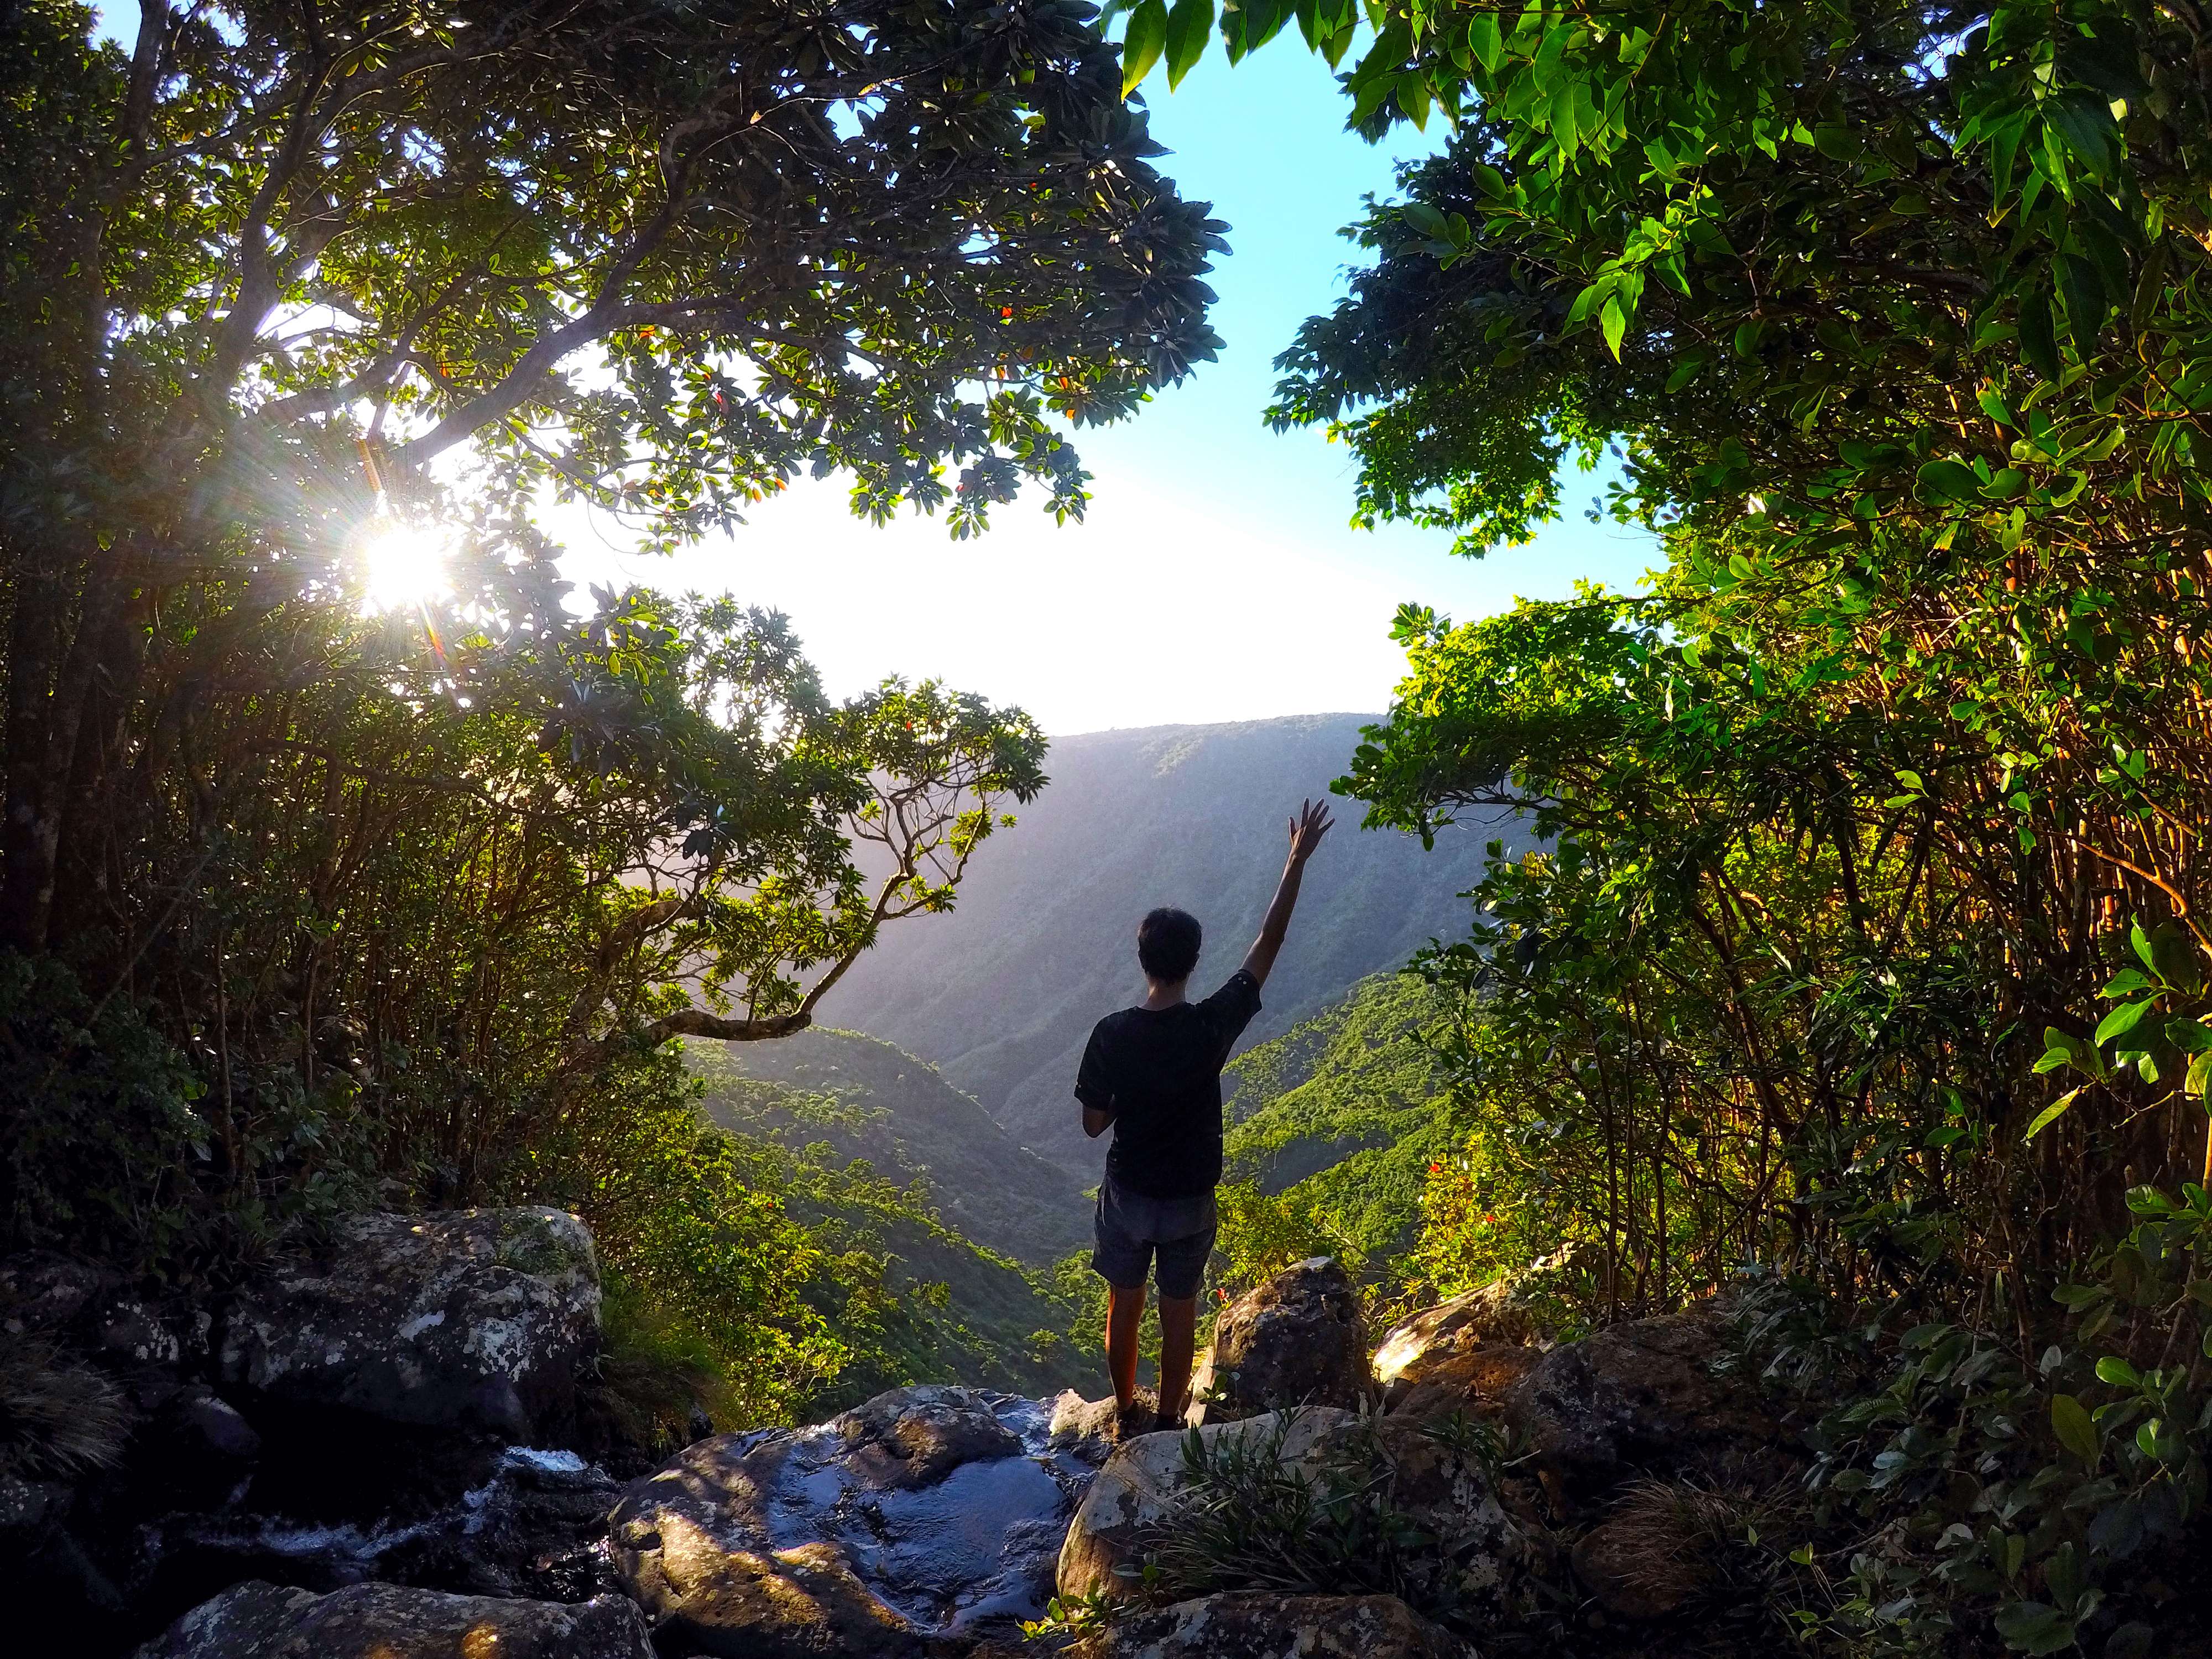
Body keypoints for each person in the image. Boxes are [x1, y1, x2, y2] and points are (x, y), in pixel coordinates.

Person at [1074, 799, 1334, 1431]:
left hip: (1130, 1192)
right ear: (1193, 962)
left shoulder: (1111, 1033)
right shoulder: (1212, 1025)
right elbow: (1268, 943)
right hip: (1190, 1198)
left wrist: (1128, 1097)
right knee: (1179, 1311)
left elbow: (1092, 1125)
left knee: (1124, 1307)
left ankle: (1126, 1413)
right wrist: (1294, 862)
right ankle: (1167, 1420)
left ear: (1143, 960)